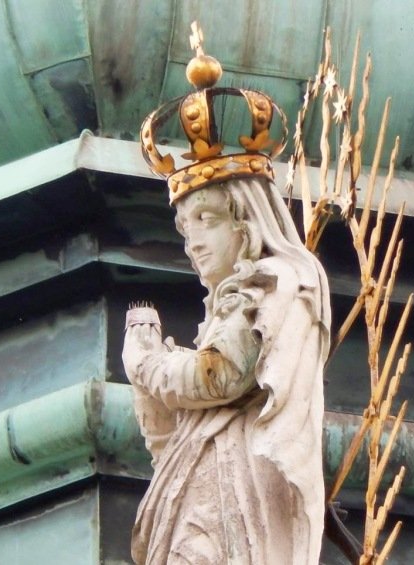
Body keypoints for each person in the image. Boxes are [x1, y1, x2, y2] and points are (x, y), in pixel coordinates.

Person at [122, 175, 331, 564]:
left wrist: (148, 364)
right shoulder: (229, 306)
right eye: (186, 229)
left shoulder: (274, 283)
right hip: (209, 492)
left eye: (207, 218)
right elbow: (171, 442)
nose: (194, 242)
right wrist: (146, 377)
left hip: (236, 488)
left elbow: (219, 375)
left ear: (247, 219)